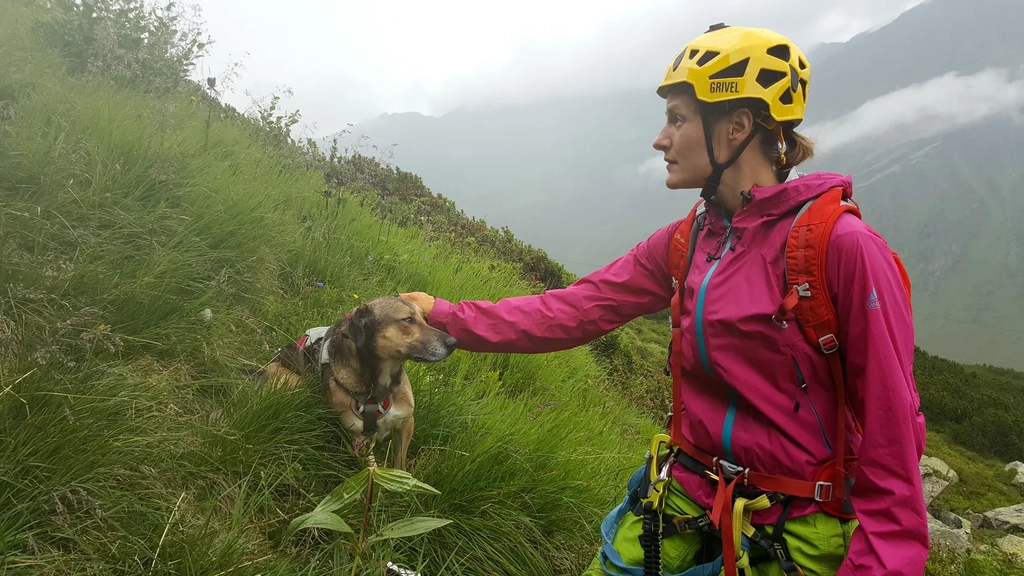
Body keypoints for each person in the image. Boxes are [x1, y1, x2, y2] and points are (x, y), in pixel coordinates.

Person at [400, 23, 928, 576]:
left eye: (677, 119)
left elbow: (894, 444)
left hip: (797, 531)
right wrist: (443, 316)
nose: (660, 138)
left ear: (737, 128)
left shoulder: (841, 249)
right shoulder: (690, 239)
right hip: (682, 500)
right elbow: (575, 309)